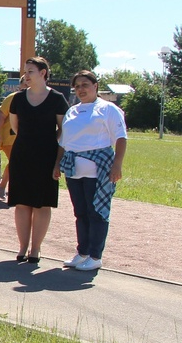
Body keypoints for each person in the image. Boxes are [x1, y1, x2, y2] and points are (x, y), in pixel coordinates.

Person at [55, 70, 128, 271]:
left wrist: (117, 165)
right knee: (80, 212)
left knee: (96, 212)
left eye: (85, 85)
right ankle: (83, 252)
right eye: (77, 86)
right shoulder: (72, 111)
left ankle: (96, 256)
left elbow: (121, 138)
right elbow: (64, 141)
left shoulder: (108, 109)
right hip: (74, 170)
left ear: (95, 86)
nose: (81, 89)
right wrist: (57, 164)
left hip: (98, 170)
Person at [6, 56, 68, 262]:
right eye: (25, 71)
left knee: (42, 204)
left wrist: (49, 142)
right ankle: (22, 247)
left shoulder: (57, 99)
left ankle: (36, 248)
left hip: (47, 156)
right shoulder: (18, 98)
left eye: (30, 71)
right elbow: (15, 126)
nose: (26, 76)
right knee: (22, 203)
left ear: (43, 73)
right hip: (22, 155)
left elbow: (63, 129)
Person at [0, 70, 28, 199]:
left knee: (18, 163)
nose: (28, 85)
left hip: (24, 138)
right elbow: (2, 114)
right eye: (25, 83)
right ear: (21, 85)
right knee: (16, 162)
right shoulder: (13, 97)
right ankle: (6, 187)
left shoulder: (35, 99)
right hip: (10, 137)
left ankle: (3, 186)